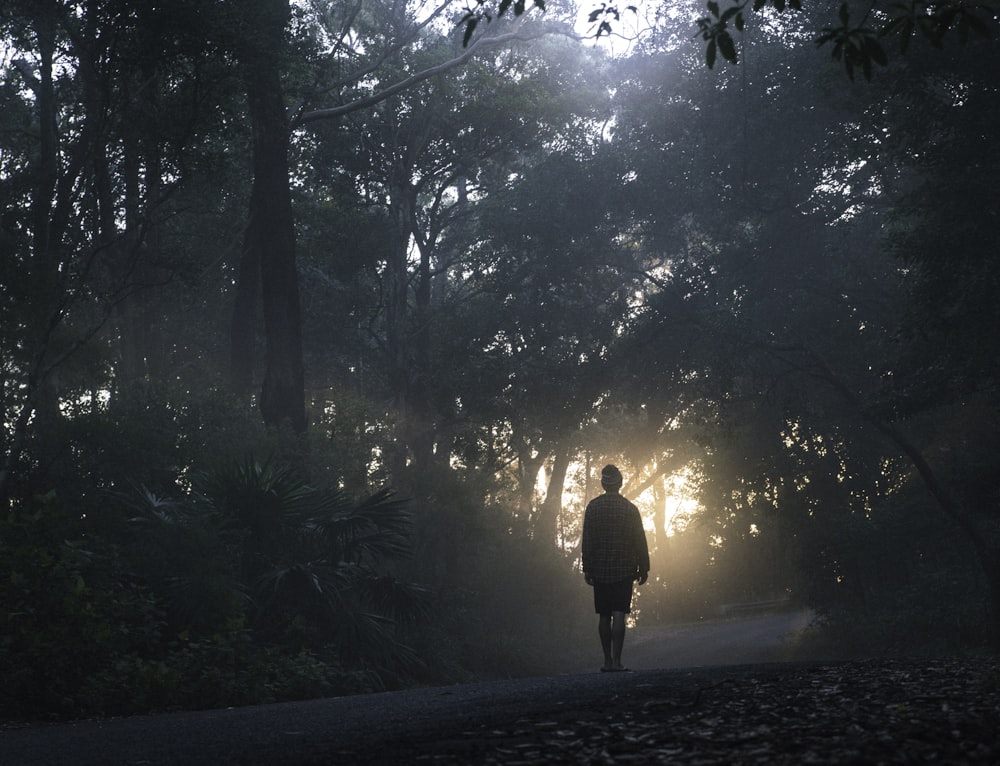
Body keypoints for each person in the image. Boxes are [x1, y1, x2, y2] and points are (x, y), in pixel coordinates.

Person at [581, 464, 650, 672]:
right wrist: (644, 567)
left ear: (603, 484)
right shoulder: (630, 509)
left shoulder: (593, 507)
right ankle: (617, 661)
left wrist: (587, 567)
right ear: (620, 484)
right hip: (624, 568)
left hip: (600, 568)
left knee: (604, 615)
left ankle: (606, 662)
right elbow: (639, 539)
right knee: (619, 613)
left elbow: (588, 540)